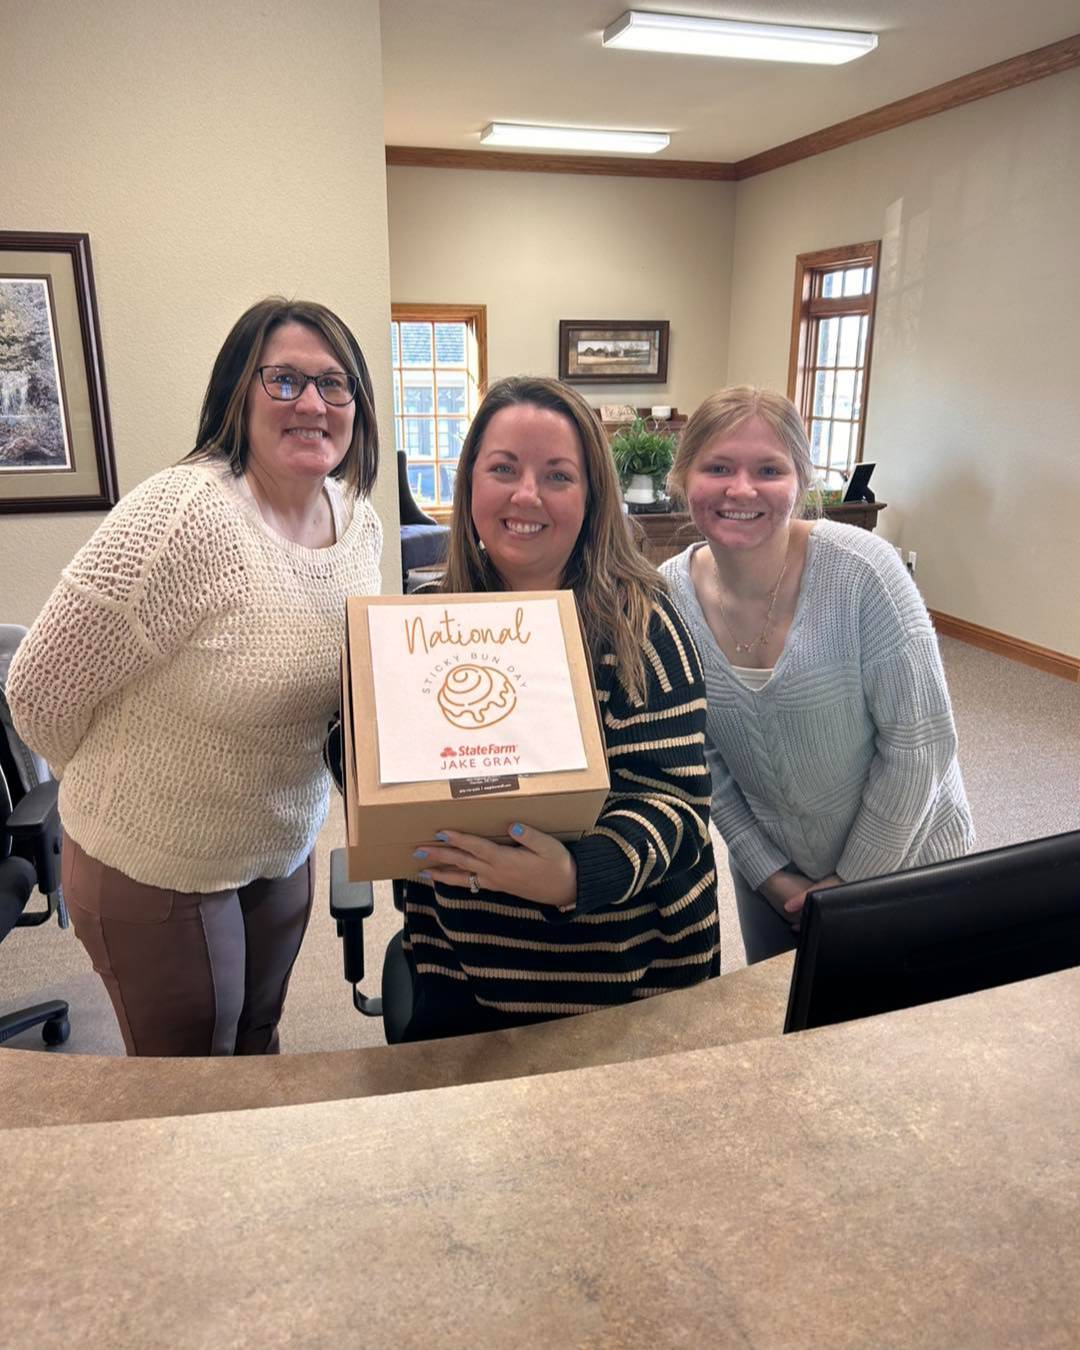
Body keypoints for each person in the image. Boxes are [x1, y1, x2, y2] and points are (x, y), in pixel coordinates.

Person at [8, 297, 383, 1055]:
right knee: (189, 1080)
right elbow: (38, 694)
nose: (312, 403)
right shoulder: (180, 517)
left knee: (256, 1042)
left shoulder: (358, 519)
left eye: (333, 384)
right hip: (154, 854)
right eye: (283, 381)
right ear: (236, 394)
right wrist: (128, 778)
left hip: (278, 842)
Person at [396, 375, 720, 1040]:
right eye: (503, 469)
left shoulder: (642, 623)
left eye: (558, 476)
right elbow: (388, 789)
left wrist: (576, 875)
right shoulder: (422, 622)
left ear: (591, 496)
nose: (526, 496)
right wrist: (361, 735)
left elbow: (678, 809)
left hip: (630, 987)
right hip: (463, 977)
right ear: (470, 486)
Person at [660, 387, 974, 964]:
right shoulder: (667, 597)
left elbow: (920, 746)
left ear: (801, 483)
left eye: (769, 469)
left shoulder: (863, 571)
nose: (741, 489)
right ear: (683, 479)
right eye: (718, 467)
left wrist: (850, 886)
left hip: (909, 862)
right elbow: (700, 759)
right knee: (793, 1035)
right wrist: (770, 874)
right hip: (776, 883)